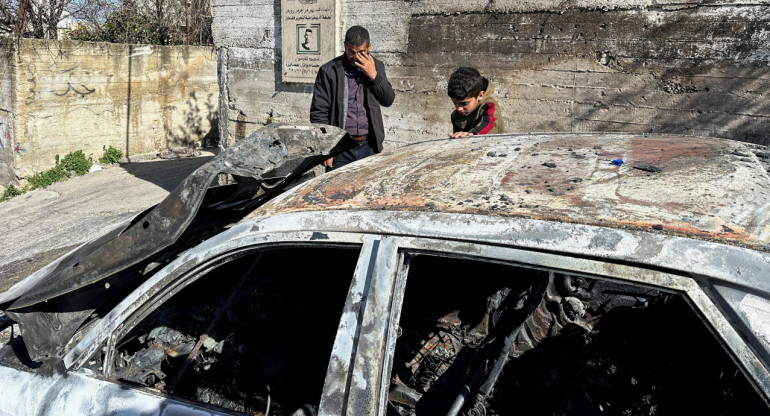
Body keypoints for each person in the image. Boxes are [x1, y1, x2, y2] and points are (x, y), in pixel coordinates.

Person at [310, 26, 396, 170]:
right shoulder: (329, 71)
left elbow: (388, 100)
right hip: (339, 149)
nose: (356, 57)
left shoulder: (377, 66)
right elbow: (319, 112)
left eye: (361, 52)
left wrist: (373, 75)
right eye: (351, 52)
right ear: (345, 47)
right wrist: (325, 148)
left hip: (369, 146)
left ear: (369, 47)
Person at [447, 67, 504, 138]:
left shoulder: (489, 106)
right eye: (455, 102)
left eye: (465, 103)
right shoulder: (456, 115)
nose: (459, 108)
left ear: (480, 95)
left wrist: (473, 135)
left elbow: (488, 124)